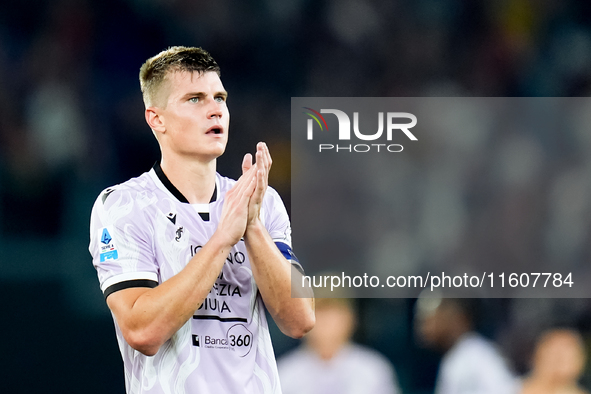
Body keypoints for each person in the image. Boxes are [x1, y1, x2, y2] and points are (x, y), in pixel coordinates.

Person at [89, 46, 315, 394]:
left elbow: (300, 319)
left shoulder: (262, 201)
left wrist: (251, 226)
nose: (215, 110)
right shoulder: (123, 206)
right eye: (195, 99)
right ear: (156, 119)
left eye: (220, 97)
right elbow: (142, 331)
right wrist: (223, 238)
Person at [277, 297, 400, 394]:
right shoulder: (284, 372)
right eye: (319, 313)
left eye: (333, 313)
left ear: (351, 319)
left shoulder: (374, 370)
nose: (326, 322)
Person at [415, 297, 518, 394]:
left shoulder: (478, 353)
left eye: (430, 320)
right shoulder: (454, 357)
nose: (424, 329)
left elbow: (507, 390)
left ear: (456, 318)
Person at [520, 328, 589, 394]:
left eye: (566, 357)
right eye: (554, 355)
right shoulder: (513, 388)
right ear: (538, 356)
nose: (558, 365)